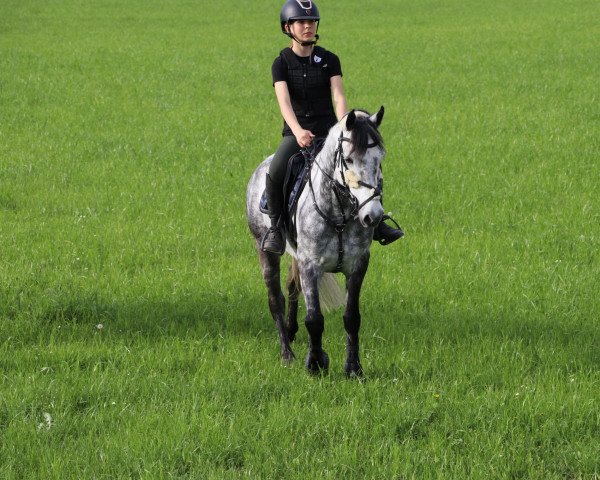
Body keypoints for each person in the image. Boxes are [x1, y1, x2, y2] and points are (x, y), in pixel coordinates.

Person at [261, 0, 404, 255]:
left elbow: (338, 96)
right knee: (276, 170)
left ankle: (377, 223)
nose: (308, 26)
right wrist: (297, 131)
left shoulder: (329, 60)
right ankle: (275, 227)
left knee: (364, 164)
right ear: (287, 27)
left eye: (311, 21)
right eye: (301, 22)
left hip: (330, 132)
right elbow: (283, 102)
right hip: (298, 134)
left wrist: (343, 128)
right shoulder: (281, 63)